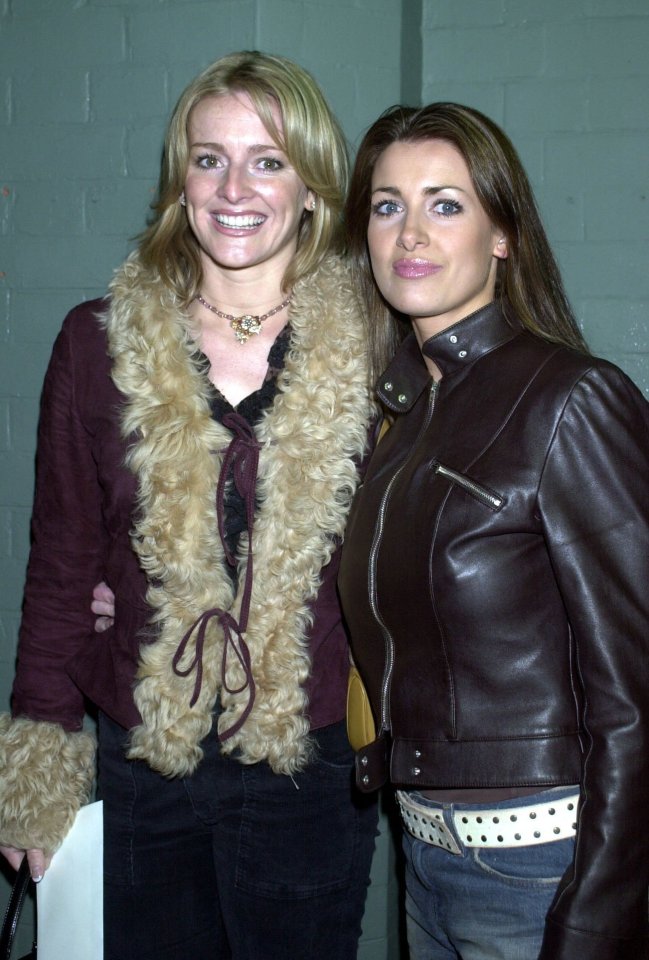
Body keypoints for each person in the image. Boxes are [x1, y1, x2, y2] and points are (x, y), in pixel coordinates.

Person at [0, 51, 378, 960]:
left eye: (268, 160)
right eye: (209, 159)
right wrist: (36, 775)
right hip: (143, 760)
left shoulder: (377, 347)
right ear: (179, 183)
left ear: (313, 187)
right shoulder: (95, 345)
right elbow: (59, 564)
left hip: (310, 767)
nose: (234, 187)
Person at [338, 101, 649, 960]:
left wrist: (598, 917)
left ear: (502, 233)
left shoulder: (568, 398)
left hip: (540, 871)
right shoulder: (402, 415)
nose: (409, 233)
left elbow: (636, 694)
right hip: (427, 862)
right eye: (386, 204)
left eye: (445, 204)